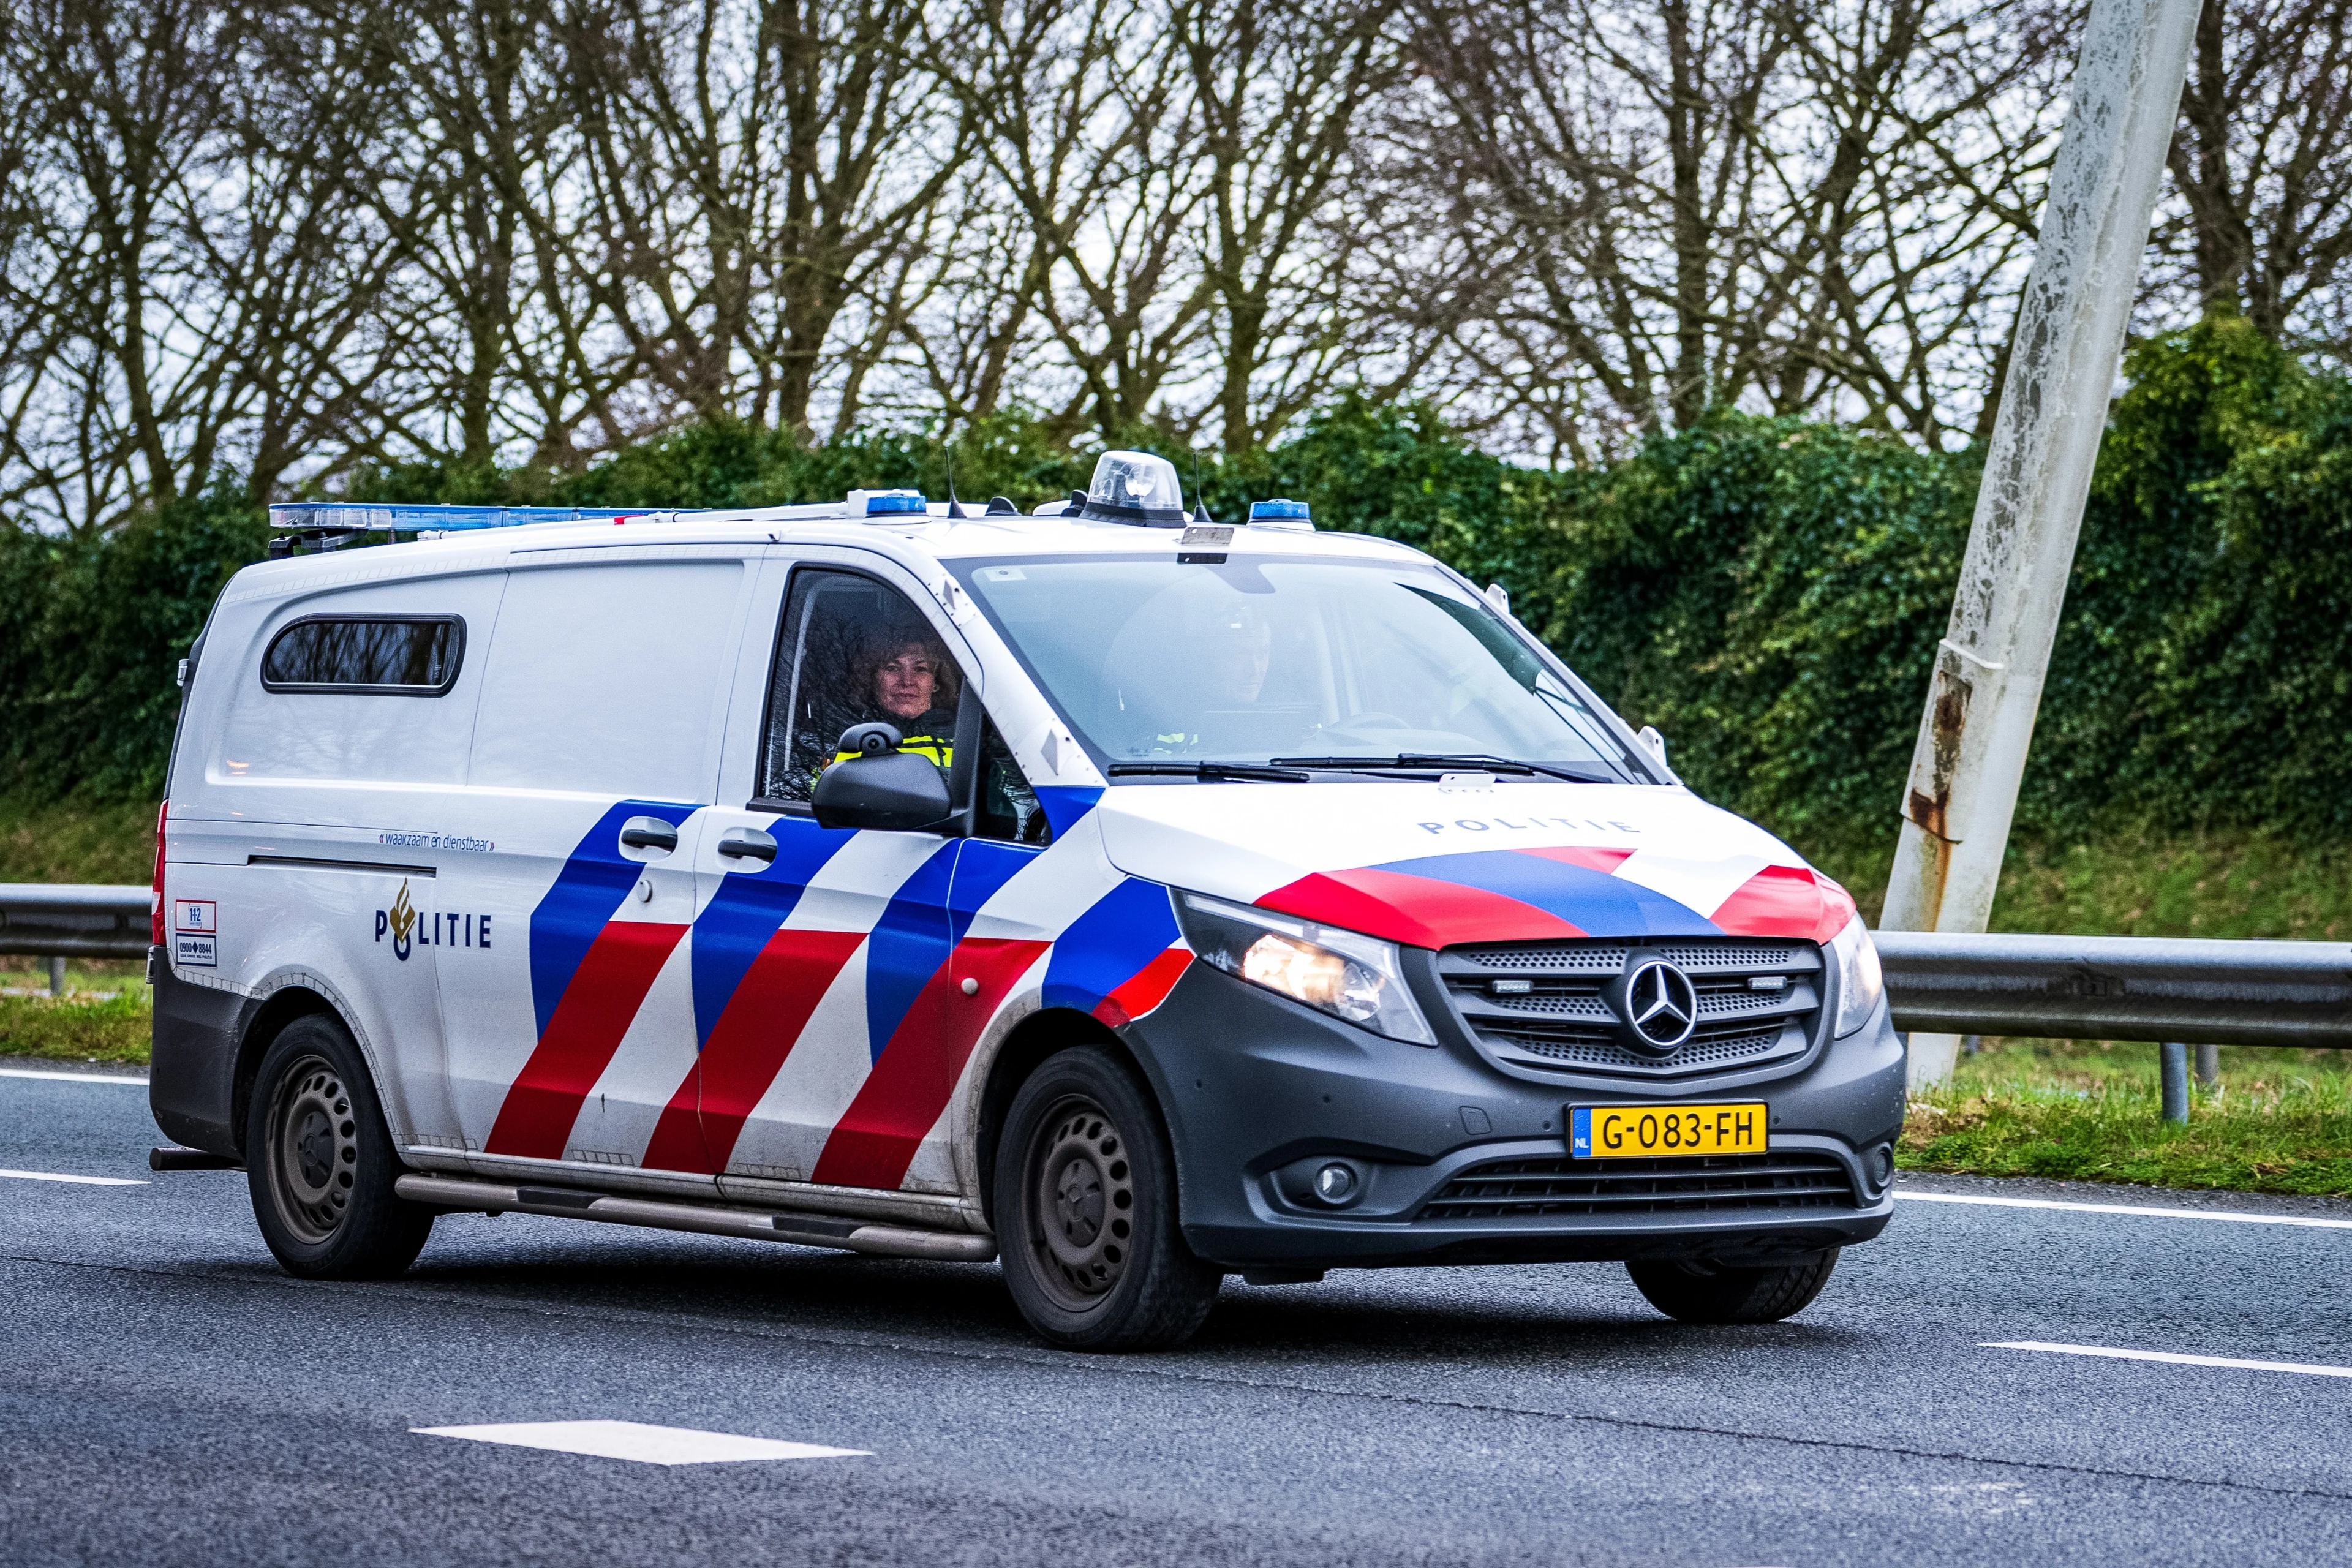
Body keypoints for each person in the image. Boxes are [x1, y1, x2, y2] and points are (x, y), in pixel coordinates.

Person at [830, 628, 959, 772]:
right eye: (892, 668)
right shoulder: (843, 738)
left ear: (936, 682)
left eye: (920, 669)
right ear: (871, 679)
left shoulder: (966, 738)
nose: (907, 682)